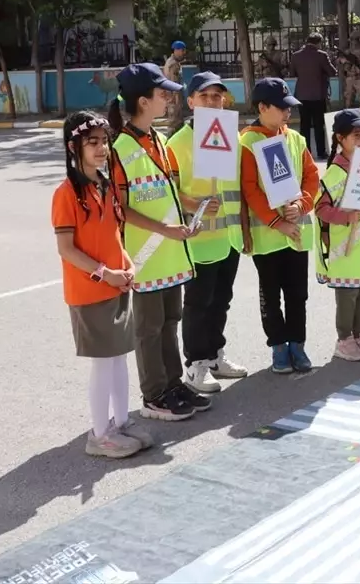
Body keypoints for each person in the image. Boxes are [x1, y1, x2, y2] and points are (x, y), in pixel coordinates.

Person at [52, 111, 153, 458]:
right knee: (103, 362)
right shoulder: (67, 193)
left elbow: (113, 236)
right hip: (89, 291)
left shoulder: (105, 185)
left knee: (119, 357)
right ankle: (99, 435)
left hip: (115, 285)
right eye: (91, 142)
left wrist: (127, 265)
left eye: (104, 141)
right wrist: (103, 273)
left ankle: (121, 422)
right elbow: (66, 249)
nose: (101, 148)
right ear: (73, 147)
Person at [108, 63, 205, 422]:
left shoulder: (160, 141)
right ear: (143, 101)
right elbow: (120, 208)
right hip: (145, 257)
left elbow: (169, 193)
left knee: (170, 321)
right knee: (149, 329)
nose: (169, 98)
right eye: (162, 93)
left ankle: (173, 383)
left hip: (171, 254)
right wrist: (165, 230)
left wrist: (190, 216)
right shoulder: (119, 149)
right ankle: (154, 394)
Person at [166, 72, 250, 396]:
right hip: (198, 240)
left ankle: (215, 355)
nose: (212, 102)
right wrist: (196, 204)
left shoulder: (231, 137)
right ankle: (196, 364)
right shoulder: (177, 144)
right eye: (205, 96)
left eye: (217, 97)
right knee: (198, 304)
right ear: (191, 102)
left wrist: (244, 230)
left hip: (228, 238)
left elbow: (237, 187)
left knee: (221, 300)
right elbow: (169, 191)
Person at [240, 78, 320, 372]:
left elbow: (312, 177)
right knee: (270, 295)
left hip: (297, 233)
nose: (288, 112)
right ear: (262, 108)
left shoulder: (295, 139)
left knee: (298, 294)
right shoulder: (247, 142)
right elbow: (250, 189)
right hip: (268, 237)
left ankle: (298, 344)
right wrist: (277, 222)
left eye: (289, 107)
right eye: (282, 107)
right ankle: (278, 347)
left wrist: (301, 205)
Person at [314, 108, 360, 362]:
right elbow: (320, 208)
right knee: (347, 297)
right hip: (345, 250)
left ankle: (358, 334)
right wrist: (345, 217)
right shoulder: (335, 173)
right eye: (357, 135)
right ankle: (344, 340)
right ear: (340, 138)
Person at [288, 32, 337, 159]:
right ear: (319, 43)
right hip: (318, 95)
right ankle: (321, 152)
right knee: (318, 125)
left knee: (304, 125)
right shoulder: (322, 55)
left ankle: (305, 152)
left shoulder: (296, 55)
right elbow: (332, 72)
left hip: (302, 95)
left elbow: (292, 73)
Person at [163, 40, 188, 131]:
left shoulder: (171, 62)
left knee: (175, 121)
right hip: (174, 98)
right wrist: (176, 98)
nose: (184, 53)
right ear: (176, 50)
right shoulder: (173, 64)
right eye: (182, 50)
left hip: (173, 97)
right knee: (175, 123)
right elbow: (173, 83)